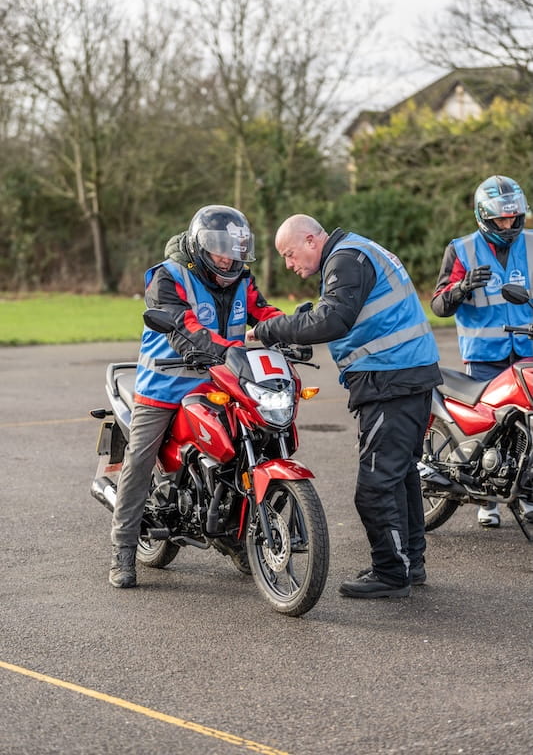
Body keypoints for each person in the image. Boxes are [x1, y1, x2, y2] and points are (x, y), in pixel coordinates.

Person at [246, 214, 442, 599]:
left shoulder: (346, 259)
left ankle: (391, 574)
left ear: (310, 240)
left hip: (392, 380)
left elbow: (333, 320)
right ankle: (408, 564)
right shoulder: (358, 251)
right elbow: (341, 313)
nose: (288, 264)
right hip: (407, 376)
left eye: (289, 254)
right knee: (400, 477)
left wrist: (269, 330)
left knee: (375, 486)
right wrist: (302, 321)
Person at [109, 205, 283, 588]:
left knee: (252, 446)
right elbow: (184, 328)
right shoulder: (168, 277)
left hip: (222, 384)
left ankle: (235, 536)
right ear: (200, 245)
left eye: (235, 251)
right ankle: (123, 549)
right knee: (139, 460)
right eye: (220, 250)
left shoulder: (241, 278)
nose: (228, 259)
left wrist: (291, 328)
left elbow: (263, 312)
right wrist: (229, 351)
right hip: (164, 387)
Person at [431, 174, 533, 528]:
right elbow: (439, 305)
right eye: (501, 219)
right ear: (484, 217)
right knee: (492, 429)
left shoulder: (532, 244)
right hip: (485, 354)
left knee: (528, 429)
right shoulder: (461, 249)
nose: (509, 225)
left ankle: (526, 494)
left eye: (514, 217)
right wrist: (461, 287)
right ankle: (487, 502)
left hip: (527, 350)